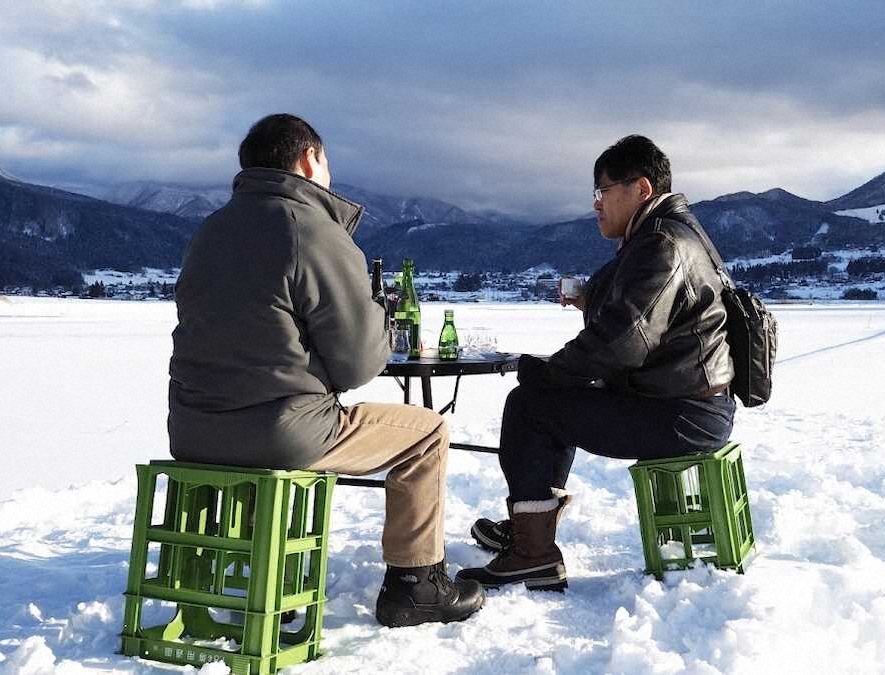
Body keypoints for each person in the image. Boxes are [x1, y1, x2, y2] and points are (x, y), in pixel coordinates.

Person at [167, 113, 483, 627]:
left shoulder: (211, 229)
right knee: (428, 433)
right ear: (310, 160)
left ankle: (261, 570)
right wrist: (377, 319)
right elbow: (360, 362)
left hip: (193, 427)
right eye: (327, 161)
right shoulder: (309, 227)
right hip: (278, 431)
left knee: (277, 424)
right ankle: (416, 584)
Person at [457, 135, 736, 590]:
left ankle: (533, 551)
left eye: (603, 191)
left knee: (531, 405)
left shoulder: (661, 242)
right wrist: (590, 304)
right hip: (686, 401)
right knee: (551, 398)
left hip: (680, 413)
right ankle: (533, 530)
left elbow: (623, 342)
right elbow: (645, 323)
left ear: (641, 188)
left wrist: (548, 370)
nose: (596, 204)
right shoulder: (670, 233)